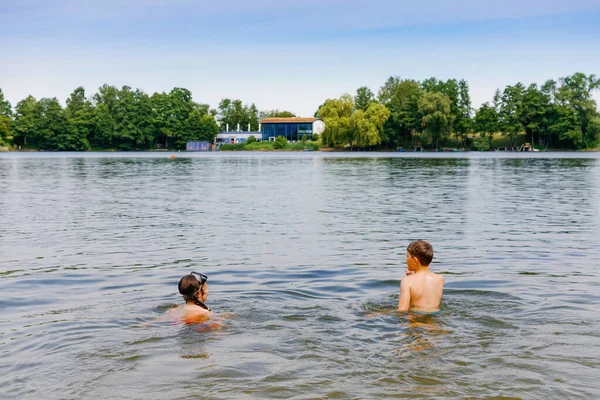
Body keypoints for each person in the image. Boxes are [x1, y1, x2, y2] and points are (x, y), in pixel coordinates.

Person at [398, 240, 444, 313]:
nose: (406, 260)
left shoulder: (407, 281)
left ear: (415, 260)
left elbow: (402, 310)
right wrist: (412, 276)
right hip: (434, 321)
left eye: (407, 257)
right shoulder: (440, 279)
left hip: (416, 320)